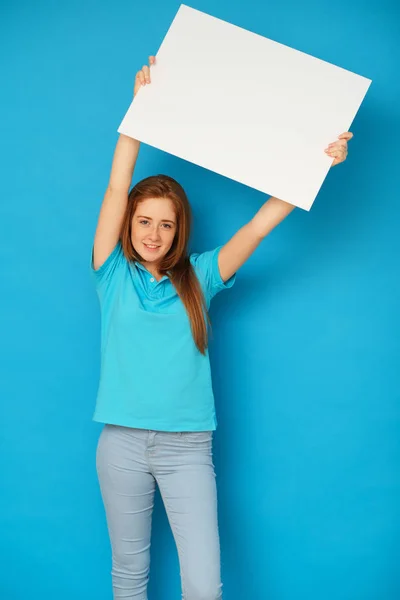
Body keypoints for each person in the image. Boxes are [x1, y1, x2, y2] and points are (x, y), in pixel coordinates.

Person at [91, 55, 353, 600]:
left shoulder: (201, 277)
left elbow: (258, 227)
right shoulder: (110, 273)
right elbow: (118, 186)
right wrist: (138, 114)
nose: (154, 234)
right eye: (144, 222)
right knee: (128, 577)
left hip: (188, 447)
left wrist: (317, 165)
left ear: (179, 229)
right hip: (120, 444)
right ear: (128, 226)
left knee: (204, 586)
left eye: (166, 224)